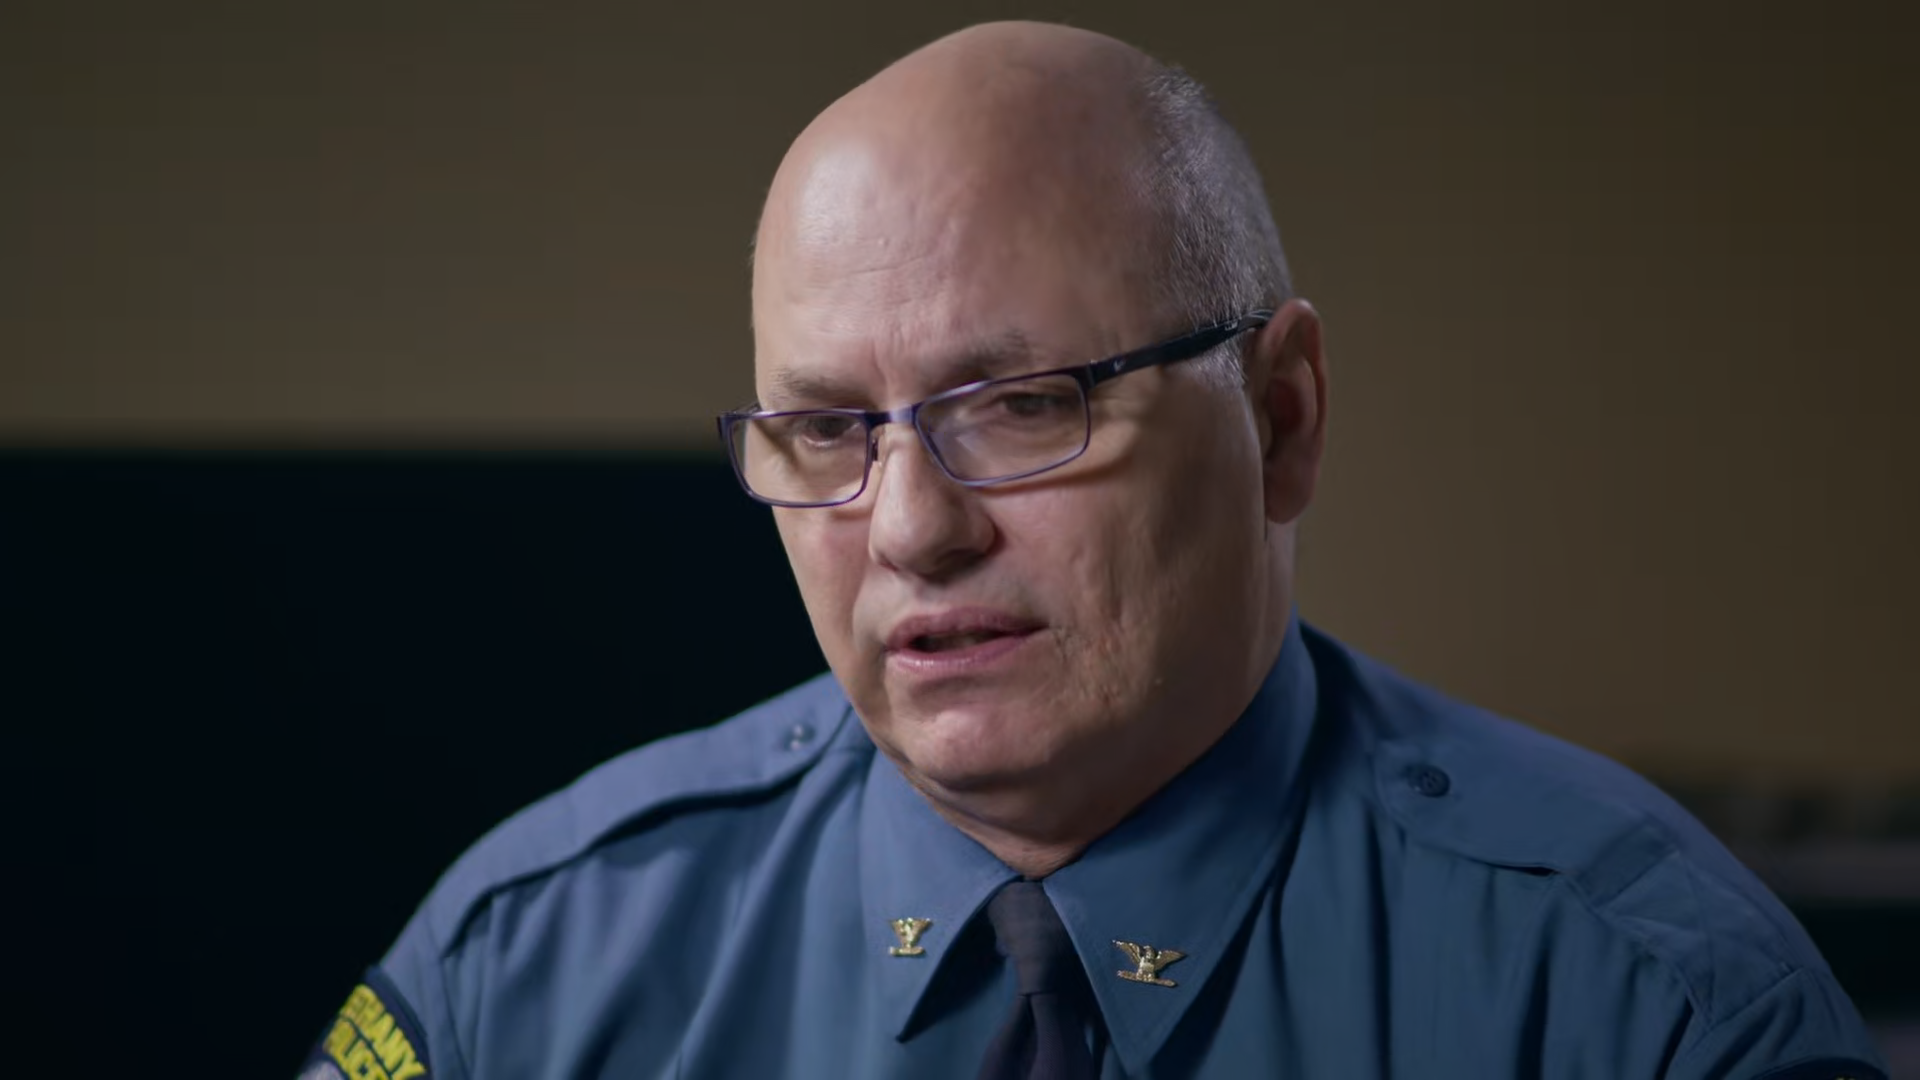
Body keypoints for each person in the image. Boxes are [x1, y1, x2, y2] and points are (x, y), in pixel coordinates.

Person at [300, 21, 1886, 1080]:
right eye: (829, 431)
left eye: (1021, 407)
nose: (911, 530)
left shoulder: (1653, 1009)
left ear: (1280, 415)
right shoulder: (532, 967)